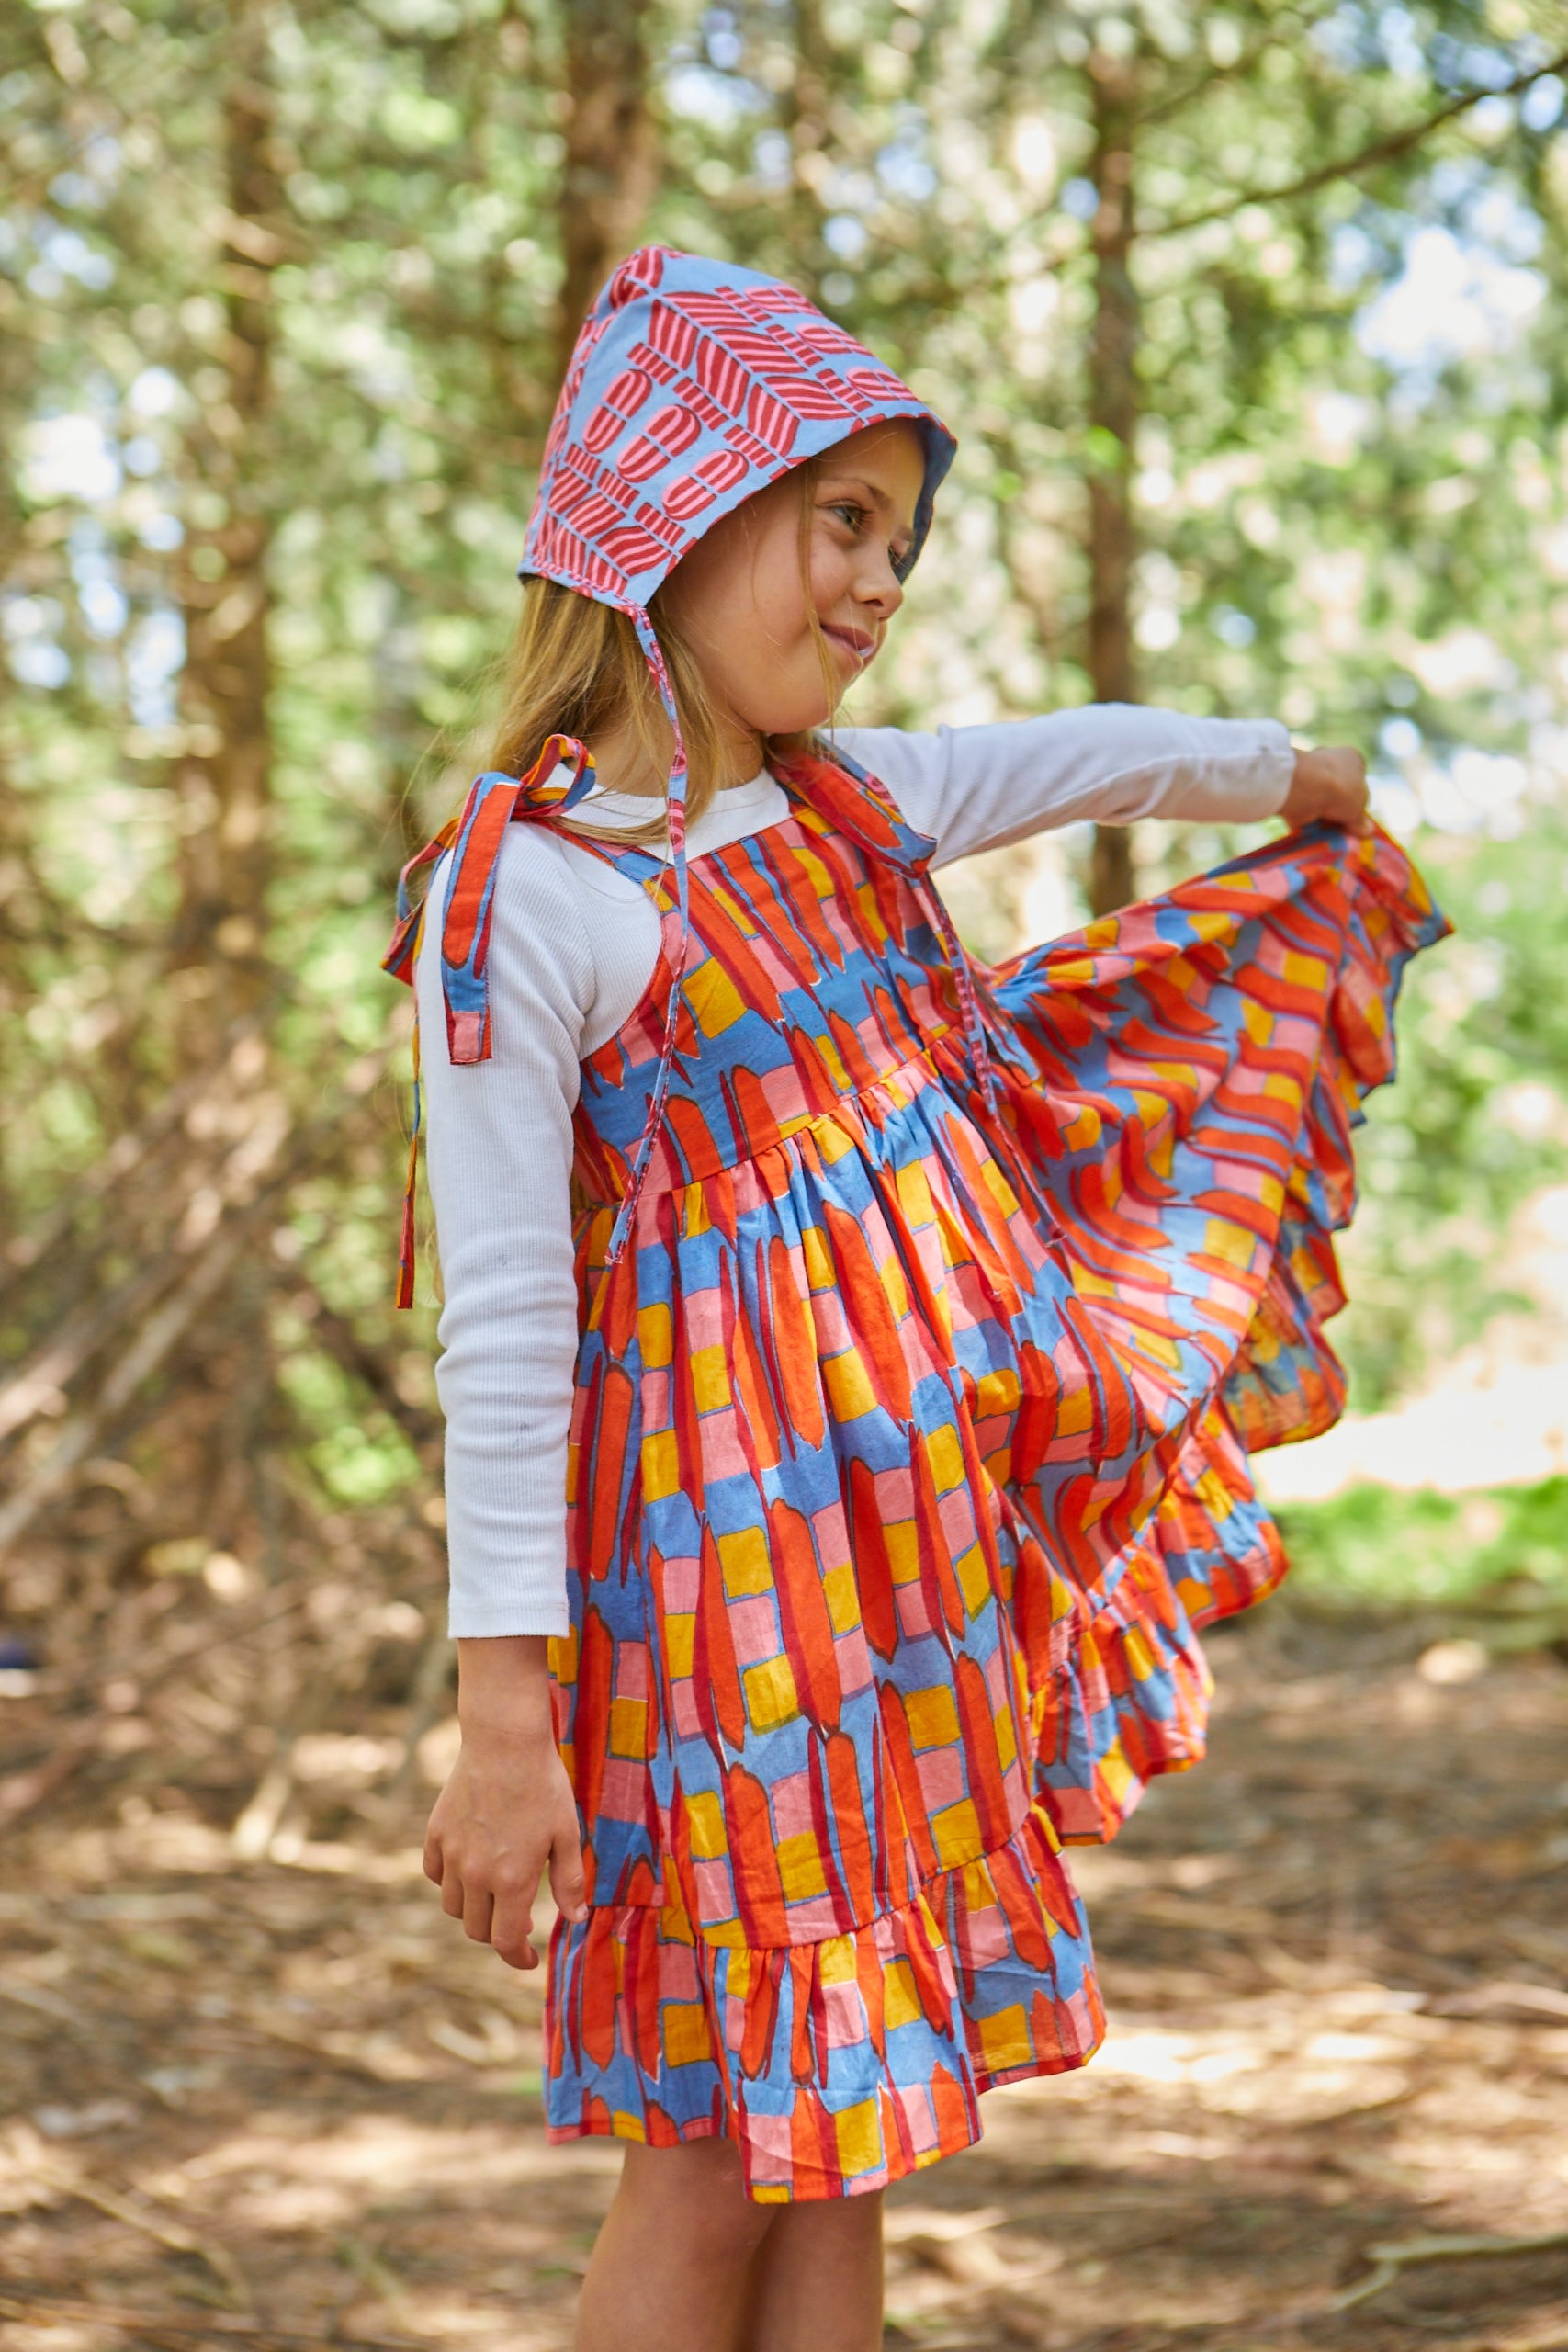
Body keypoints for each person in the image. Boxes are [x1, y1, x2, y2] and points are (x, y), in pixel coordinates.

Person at [386, 246, 1446, 2352]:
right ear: (670, 503)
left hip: (888, 1588)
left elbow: (1085, 758)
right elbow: (504, 1331)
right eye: (837, 516)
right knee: (705, 2139)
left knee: (848, 2122)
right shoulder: (531, 900)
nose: (879, 579)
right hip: (713, 1611)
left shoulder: (840, 810)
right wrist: (504, 1709)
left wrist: (1287, 771)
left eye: (901, 534)